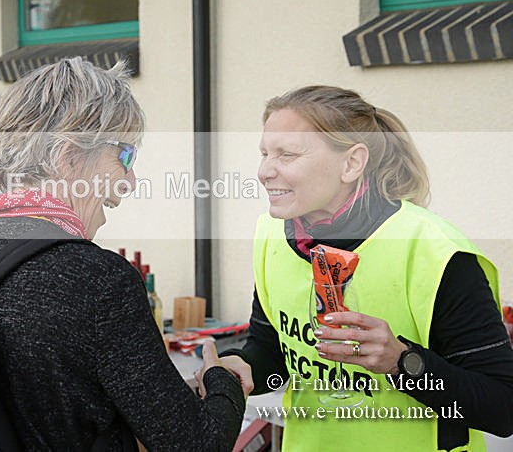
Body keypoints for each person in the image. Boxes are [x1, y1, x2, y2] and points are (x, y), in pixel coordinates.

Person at [0, 57, 248, 449]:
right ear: (68, 158)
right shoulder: (99, 282)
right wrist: (223, 381)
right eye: (125, 156)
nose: (131, 180)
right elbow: (197, 445)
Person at [218, 85, 513, 451]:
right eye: (264, 153)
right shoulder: (271, 234)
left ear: (352, 163)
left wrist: (402, 363)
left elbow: (502, 407)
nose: (264, 171)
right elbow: (271, 348)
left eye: (287, 155)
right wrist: (240, 370)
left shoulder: (436, 253)